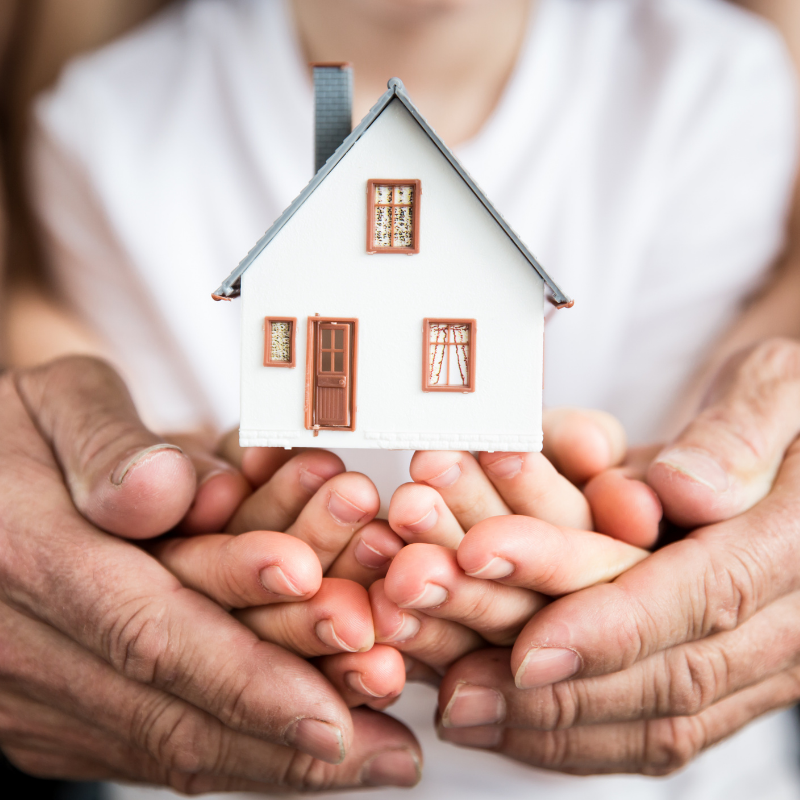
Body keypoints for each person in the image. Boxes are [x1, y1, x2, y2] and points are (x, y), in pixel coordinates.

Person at [23, 3, 800, 800]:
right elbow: (170, 502)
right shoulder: (112, 124)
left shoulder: (708, 83)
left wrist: (643, 515)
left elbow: (663, 487)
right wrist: (182, 525)